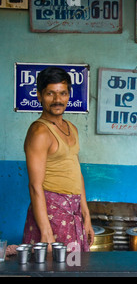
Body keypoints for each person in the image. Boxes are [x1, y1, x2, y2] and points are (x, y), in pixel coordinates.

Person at [22, 67, 94, 251]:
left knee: (75, 266)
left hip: (73, 211)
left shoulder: (72, 128)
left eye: (62, 93)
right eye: (50, 94)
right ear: (39, 96)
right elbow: (35, 186)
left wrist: (86, 216)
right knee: (52, 269)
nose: (57, 100)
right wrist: (46, 231)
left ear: (69, 95)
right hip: (51, 213)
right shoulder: (39, 132)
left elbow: (76, 172)